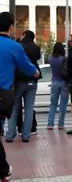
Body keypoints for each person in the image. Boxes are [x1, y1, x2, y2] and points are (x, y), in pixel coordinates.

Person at [0, 12, 39, 180]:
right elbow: (28, 68)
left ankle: (3, 169)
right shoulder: (14, 46)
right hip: (2, 95)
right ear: (10, 27)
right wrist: (36, 72)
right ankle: (2, 169)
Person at [6, 30, 41, 143]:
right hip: (32, 80)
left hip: (18, 80)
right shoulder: (36, 47)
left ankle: (10, 135)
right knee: (29, 108)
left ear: (24, 35)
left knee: (15, 107)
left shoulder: (18, 46)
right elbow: (37, 58)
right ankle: (26, 136)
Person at [47, 42, 69, 130]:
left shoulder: (50, 58)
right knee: (63, 105)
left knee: (53, 104)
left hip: (54, 82)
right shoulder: (64, 59)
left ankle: (50, 124)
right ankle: (61, 124)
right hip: (64, 83)